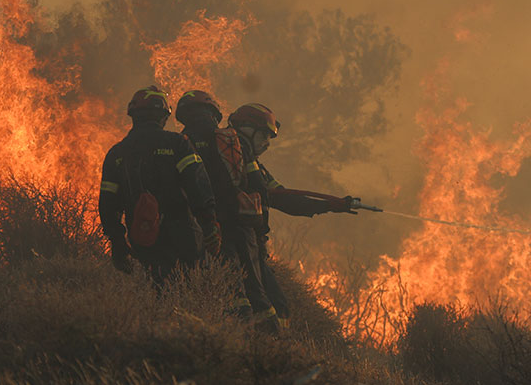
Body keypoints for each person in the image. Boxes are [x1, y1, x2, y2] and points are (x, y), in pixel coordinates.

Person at [228, 103, 359, 329]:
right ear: (248, 129)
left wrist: (331, 205)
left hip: (247, 246)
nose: (266, 144)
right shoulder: (240, 163)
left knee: (274, 307)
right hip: (239, 246)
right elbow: (285, 200)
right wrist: (331, 206)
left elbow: (285, 198)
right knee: (270, 309)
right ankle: (266, 353)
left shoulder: (251, 166)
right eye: (263, 136)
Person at [175, 90, 278, 330]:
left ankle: (236, 337)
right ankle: (272, 346)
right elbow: (258, 187)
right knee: (256, 290)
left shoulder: (180, 143)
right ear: (214, 113)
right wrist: (261, 232)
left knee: (228, 287)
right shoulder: (232, 140)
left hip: (205, 228)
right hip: (241, 226)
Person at [98, 86, 221, 283]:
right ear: (163, 116)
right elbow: (197, 184)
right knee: (189, 289)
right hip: (184, 236)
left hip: (143, 237)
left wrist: (118, 243)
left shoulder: (116, 154)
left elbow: (108, 205)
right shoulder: (177, 143)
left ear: (133, 116)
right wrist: (209, 224)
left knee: (155, 290)